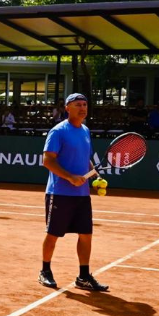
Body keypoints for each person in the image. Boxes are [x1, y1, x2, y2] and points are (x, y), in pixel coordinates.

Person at [39, 93, 108, 292]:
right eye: (78, 104)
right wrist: (70, 177)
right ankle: (45, 270)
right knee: (53, 234)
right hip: (59, 192)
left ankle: (84, 276)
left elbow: (85, 159)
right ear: (67, 108)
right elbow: (48, 161)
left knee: (86, 234)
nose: (83, 108)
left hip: (82, 195)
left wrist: (94, 176)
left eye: (85, 104)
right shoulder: (58, 131)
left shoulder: (85, 130)